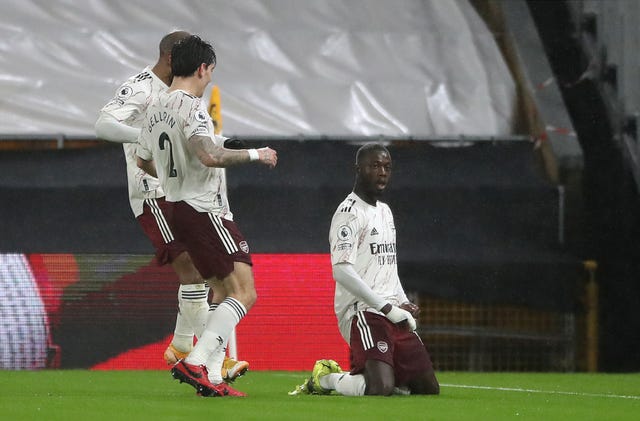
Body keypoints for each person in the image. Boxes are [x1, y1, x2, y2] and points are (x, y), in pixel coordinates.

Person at [95, 31, 248, 382]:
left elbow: (191, 139)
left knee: (202, 269)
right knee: (191, 269)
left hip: (186, 191)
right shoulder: (140, 87)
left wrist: (225, 142)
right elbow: (102, 123)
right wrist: (143, 136)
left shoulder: (187, 95)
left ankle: (181, 344)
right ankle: (215, 358)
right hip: (153, 190)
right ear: (169, 57)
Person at [136, 35, 277, 397]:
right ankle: (195, 361)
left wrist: (173, 174)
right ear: (201, 68)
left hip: (178, 209)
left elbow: (142, 161)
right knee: (245, 293)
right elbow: (210, 155)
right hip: (205, 210)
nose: (210, 78)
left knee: (219, 291)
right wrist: (256, 155)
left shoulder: (154, 107)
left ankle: (211, 377)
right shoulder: (192, 107)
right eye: (210, 71)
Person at [291, 143, 439, 396]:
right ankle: (327, 378)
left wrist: (401, 301)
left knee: (427, 389)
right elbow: (341, 271)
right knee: (379, 387)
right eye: (375, 166)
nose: (382, 172)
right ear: (358, 170)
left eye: (387, 167)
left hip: (391, 311)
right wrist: (387, 308)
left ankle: (387, 377)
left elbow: (388, 265)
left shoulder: (385, 212)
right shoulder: (348, 214)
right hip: (362, 312)